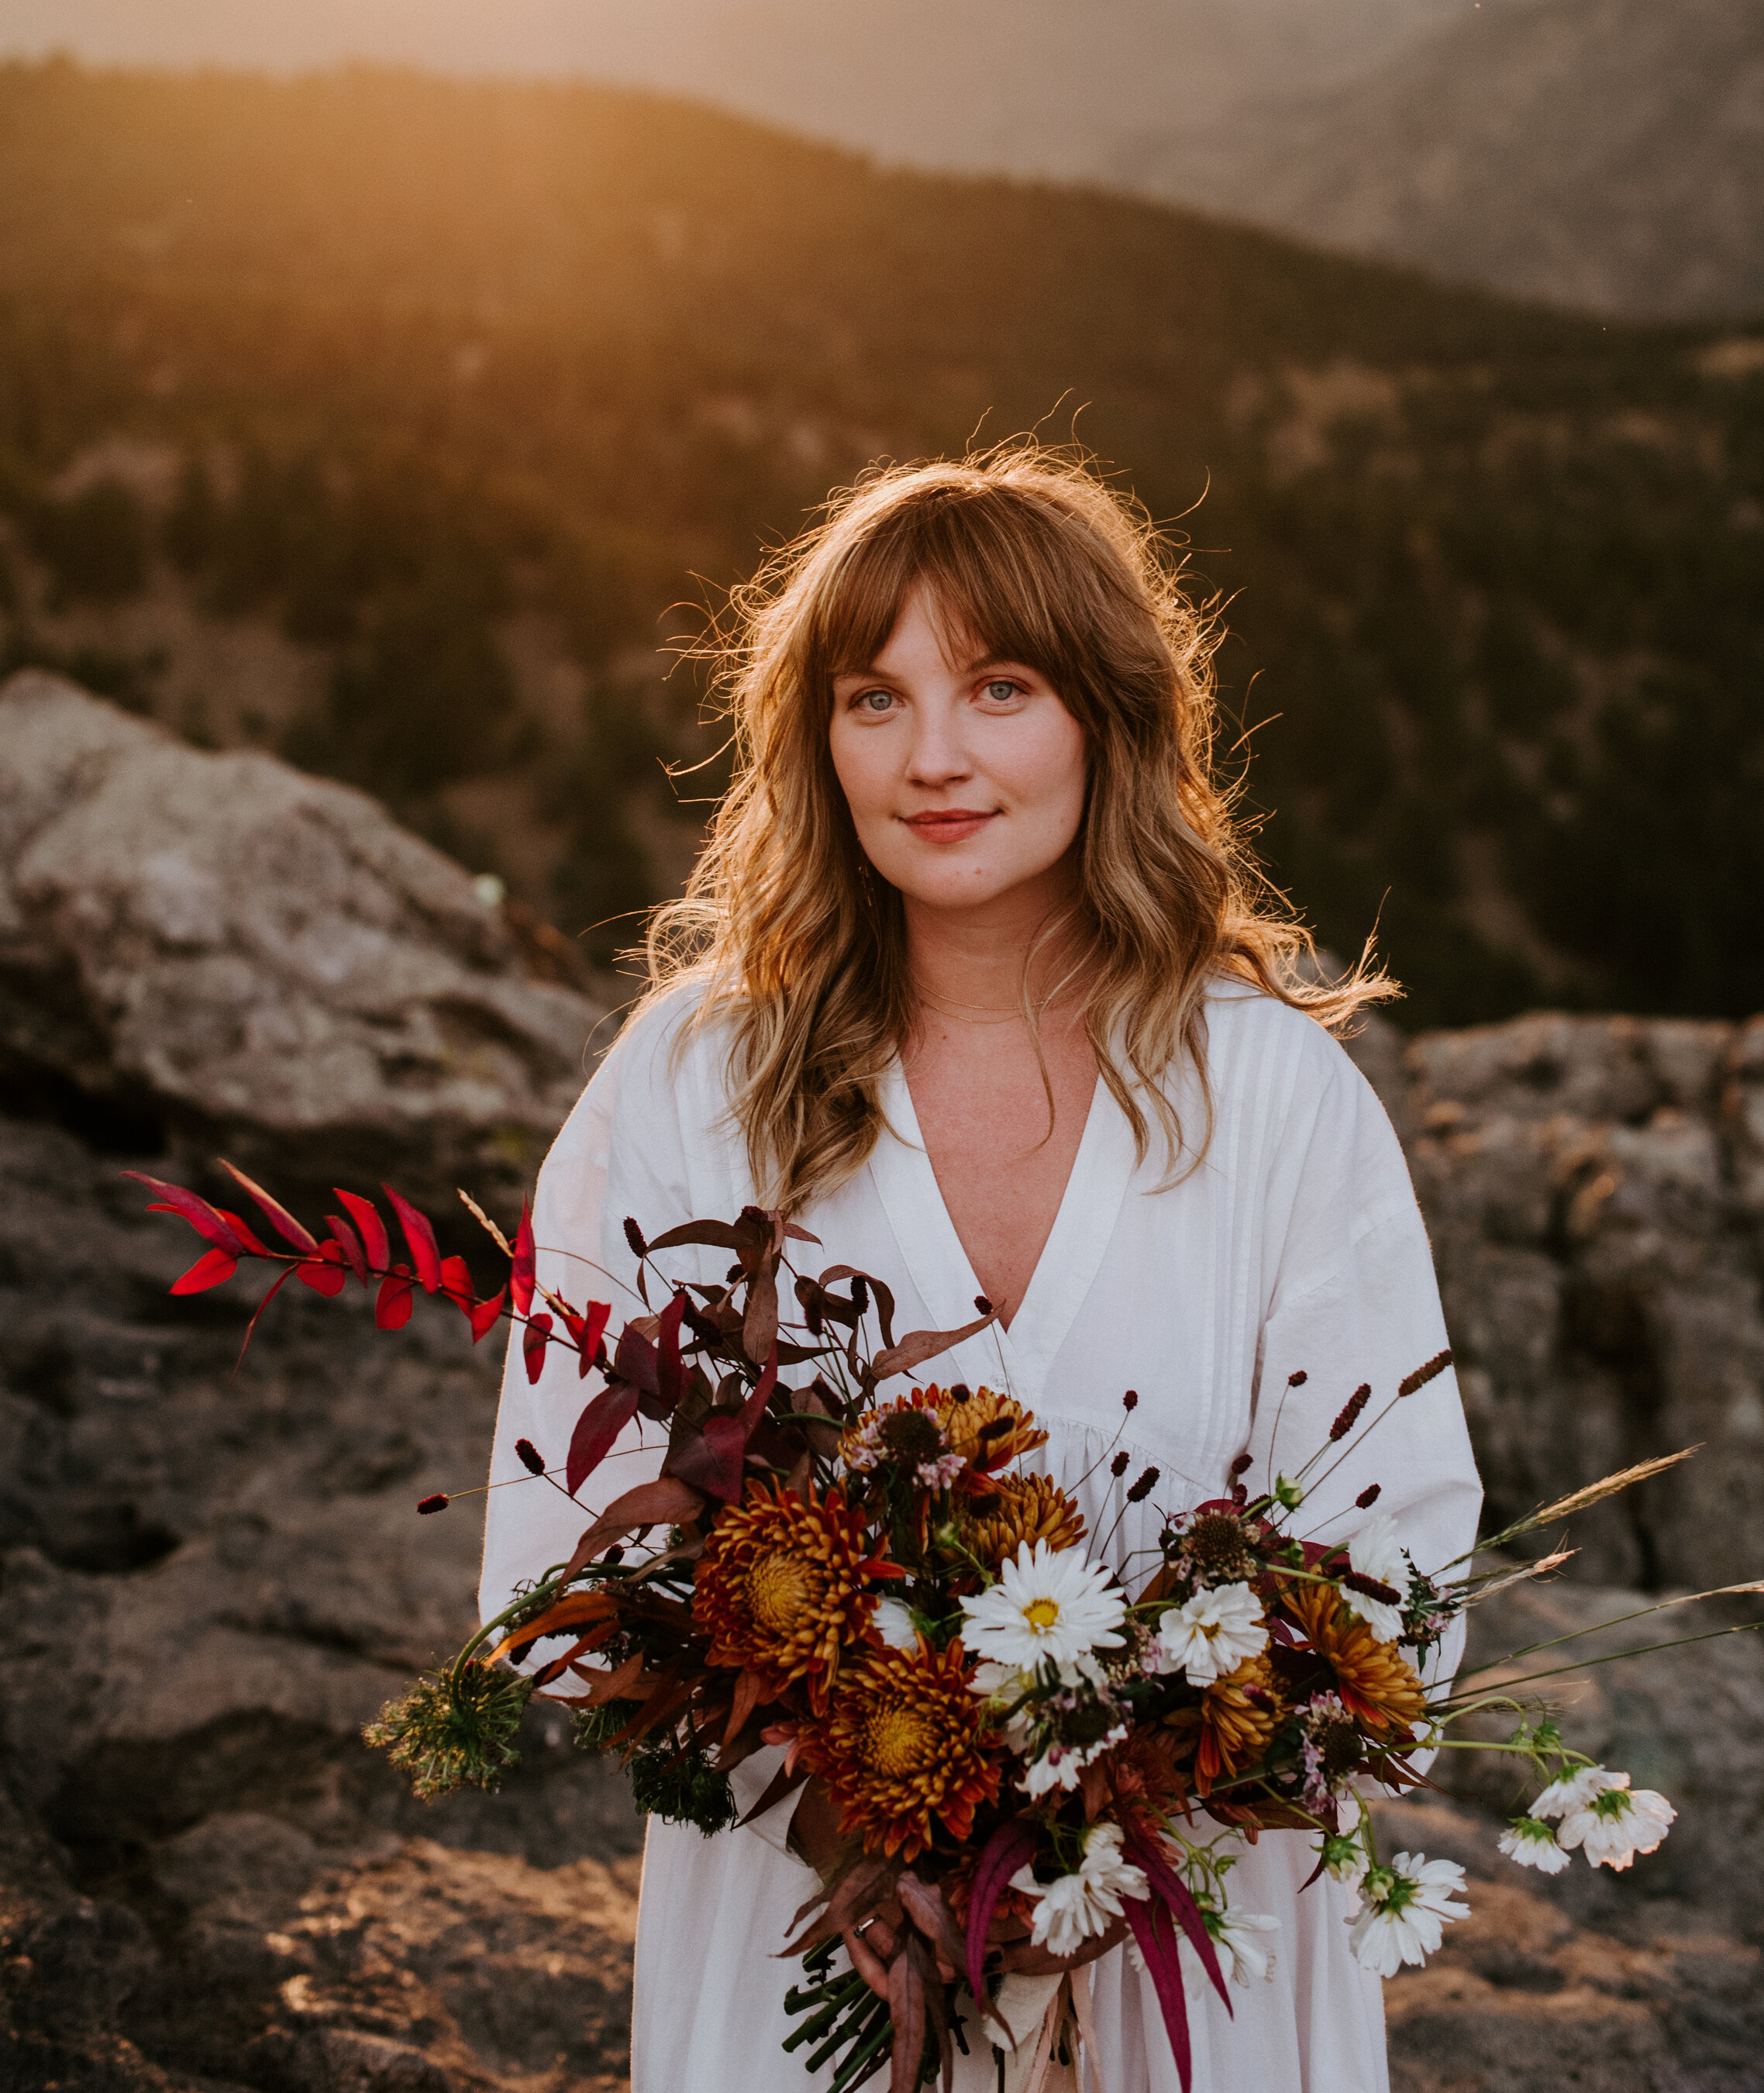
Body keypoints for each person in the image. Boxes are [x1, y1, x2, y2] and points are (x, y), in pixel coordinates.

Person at [480, 444, 1480, 2091]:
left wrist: (1094, 1847)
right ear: (815, 741)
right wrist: (858, 1824)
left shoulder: (1278, 1099)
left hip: (1189, 1957)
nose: (931, 757)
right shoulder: (692, 1081)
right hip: (811, 1953)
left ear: (1107, 714)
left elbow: (1394, 1560)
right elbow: (560, 1548)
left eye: (997, 688)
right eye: (872, 699)